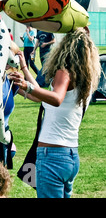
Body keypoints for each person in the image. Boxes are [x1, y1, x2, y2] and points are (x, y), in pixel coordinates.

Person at [8, 27, 101, 198]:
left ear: (65, 46)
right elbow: (41, 98)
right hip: (70, 155)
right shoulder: (85, 80)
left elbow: (56, 98)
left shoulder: (64, 71)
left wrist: (26, 85)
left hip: (52, 156)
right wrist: (22, 74)